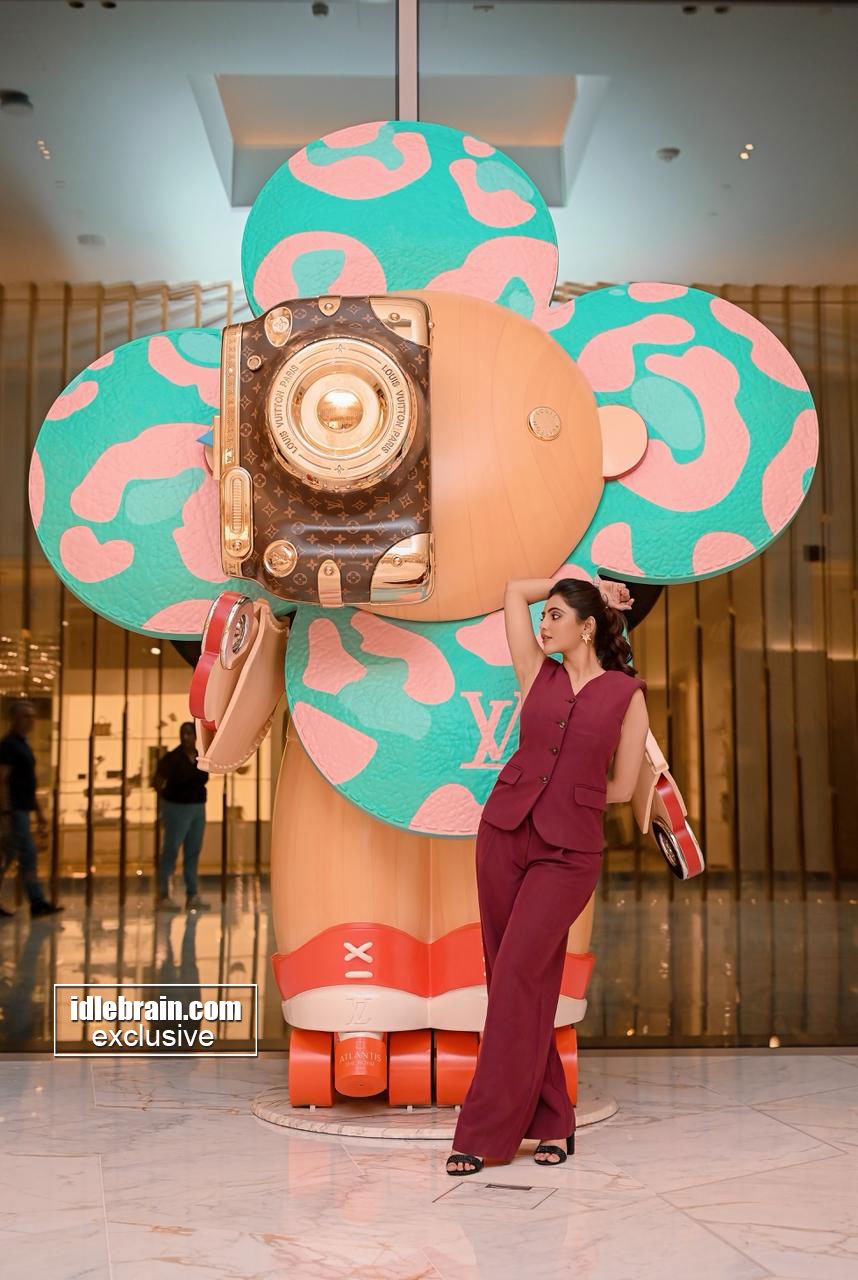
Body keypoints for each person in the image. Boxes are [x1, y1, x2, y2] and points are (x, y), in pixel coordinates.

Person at [446, 575, 649, 1175]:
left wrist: (574, 796)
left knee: (516, 975)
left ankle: (482, 1132)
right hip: (504, 834)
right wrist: (591, 583)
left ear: (586, 628)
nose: (544, 622)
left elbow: (622, 787)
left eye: (556, 615)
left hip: (569, 853)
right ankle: (555, 1120)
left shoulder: (627, 694)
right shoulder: (538, 672)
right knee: (515, 982)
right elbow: (514, 591)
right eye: (546, 615)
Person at [0, 699, 64, 919]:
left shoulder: (22, 744)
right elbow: (2, 780)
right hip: (14, 811)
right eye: (26, 716)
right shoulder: (9, 745)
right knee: (27, 855)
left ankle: (37, 902)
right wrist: (5, 812)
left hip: (21, 809)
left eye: (32, 716)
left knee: (10, 856)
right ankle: (37, 902)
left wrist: (37, 810)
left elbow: (28, 781)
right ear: (15, 718)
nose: (31, 721)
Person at [150, 722, 212, 912]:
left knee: (193, 853)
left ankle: (192, 895)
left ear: (195, 736)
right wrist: (165, 805)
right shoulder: (172, 758)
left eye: (189, 733)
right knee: (170, 851)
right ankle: (163, 895)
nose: (186, 737)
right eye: (183, 733)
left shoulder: (200, 757)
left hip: (197, 808)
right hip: (177, 808)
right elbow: (157, 782)